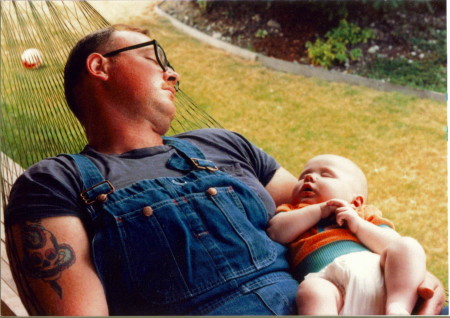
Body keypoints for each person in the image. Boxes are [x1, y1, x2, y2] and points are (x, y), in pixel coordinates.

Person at [4, 24, 444, 316]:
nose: (172, 72)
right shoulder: (55, 182)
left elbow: (332, 210)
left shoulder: (222, 143)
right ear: (100, 66)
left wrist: (402, 270)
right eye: (154, 56)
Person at [267, 154, 428, 315]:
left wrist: (359, 225)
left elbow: (391, 244)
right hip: (331, 285)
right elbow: (276, 233)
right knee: (312, 290)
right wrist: (319, 210)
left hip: (384, 281)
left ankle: (399, 307)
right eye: (302, 177)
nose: (309, 177)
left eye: (325, 175)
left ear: (356, 202)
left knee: (407, 245)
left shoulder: (363, 214)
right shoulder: (293, 211)